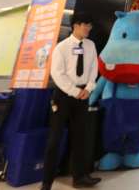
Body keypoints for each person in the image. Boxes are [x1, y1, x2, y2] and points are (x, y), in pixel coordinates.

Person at [41, 13, 101, 190]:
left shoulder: (90, 45)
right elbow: (57, 74)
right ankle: (47, 182)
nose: (88, 28)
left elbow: (94, 69)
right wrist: (75, 91)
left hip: (83, 96)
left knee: (80, 137)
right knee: (55, 139)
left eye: (90, 25)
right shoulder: (62, 47)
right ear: (75, 25)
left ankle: (80, 177)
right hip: (64, 96)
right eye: (85, 25)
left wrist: (89, 88)